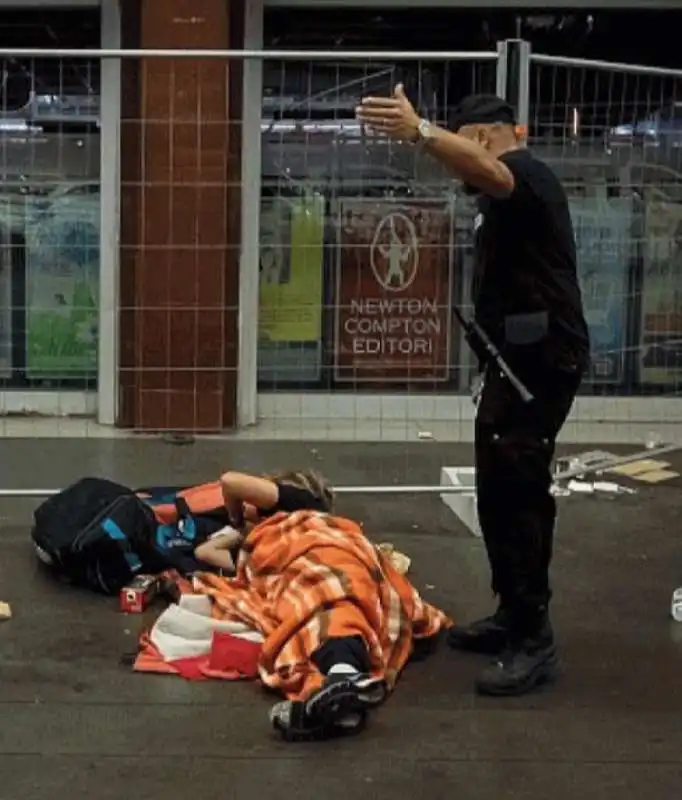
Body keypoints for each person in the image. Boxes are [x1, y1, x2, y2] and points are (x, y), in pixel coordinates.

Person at [356, 89, 589, 696]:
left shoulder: (523, 172)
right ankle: (513, 611)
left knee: (519, 488)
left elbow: (487, 169)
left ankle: (534, 638)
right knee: (495, 484)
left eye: (461, 150)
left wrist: (420, 132)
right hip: (513, 361)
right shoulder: (498, 187)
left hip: (541, 361)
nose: (459, 173)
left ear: (483, 137)